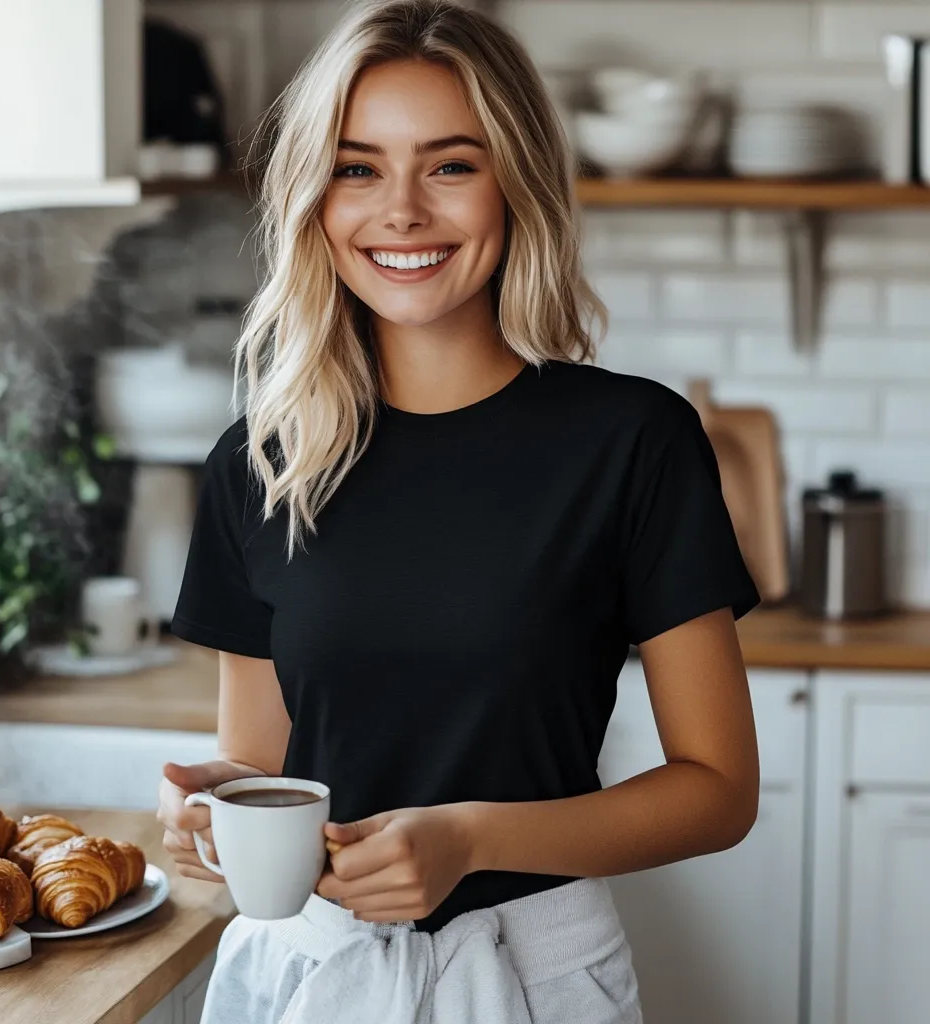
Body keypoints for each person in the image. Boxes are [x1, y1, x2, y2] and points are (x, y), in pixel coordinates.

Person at [157, 1, 761, 1021]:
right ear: (315, 197)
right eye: (357, 167)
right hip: (304, 970)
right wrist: (214, 804)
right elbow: (264, 764)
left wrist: (473, 839)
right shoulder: (260, 462)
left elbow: (717, 788)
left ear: (513, 182)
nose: (400, 211)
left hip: (532, 973)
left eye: (449, 164)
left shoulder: (631, 443)